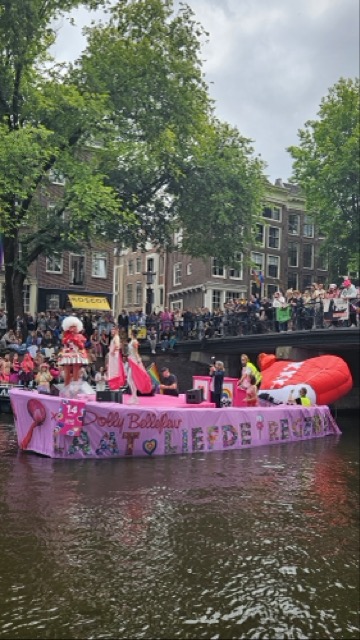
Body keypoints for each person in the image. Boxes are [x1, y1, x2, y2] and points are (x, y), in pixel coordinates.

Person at [127, 329, 152, 403]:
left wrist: (138, 360)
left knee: (130, 379)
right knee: (130, 379)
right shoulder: (132, 341)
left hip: (134, 361)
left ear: (131, 334)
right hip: (132, 360)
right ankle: (134, 397)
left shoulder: (134, 341)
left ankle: (134, 397)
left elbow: (136, 352)